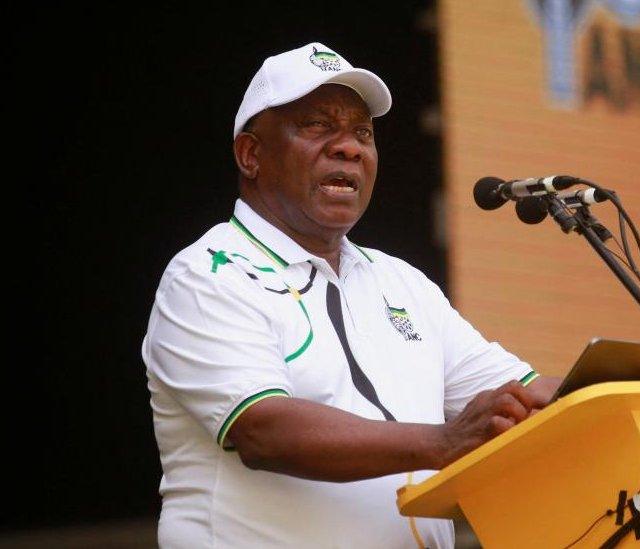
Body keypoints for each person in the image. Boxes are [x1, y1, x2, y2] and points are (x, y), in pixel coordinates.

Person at [142, 42, 560, 548]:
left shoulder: (399, 281)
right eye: (317, 126)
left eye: (362, 132)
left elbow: (524, 395)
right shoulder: (207, 276)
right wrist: (442, 441)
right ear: (251, 154)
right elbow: (264, 431)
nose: (349, 148)